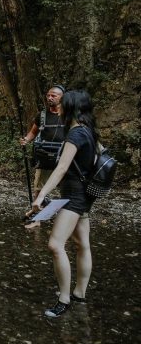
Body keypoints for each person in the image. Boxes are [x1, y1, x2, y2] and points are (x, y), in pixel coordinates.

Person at [30, 90, 99, 318]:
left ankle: (64, 299)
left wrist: (41, 195)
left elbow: (61, 168)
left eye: (64, 105)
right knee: (82, 244)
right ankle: (79, 293)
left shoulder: (75, 134)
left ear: (71, 108)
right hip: (84, 195)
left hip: (73, 197)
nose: (59, 109)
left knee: (55, 245)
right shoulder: (89, 131)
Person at [21, 86, 66, 203]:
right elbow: (33, 132)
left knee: (67, 187)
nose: (50, 98)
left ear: (62, 97)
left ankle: (65, 210)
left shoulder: (69, 115)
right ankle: (37, 210)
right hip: (45, 156)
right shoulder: (42, 115)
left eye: (53, 95)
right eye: (48, 95)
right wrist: (26, 139)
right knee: (39, 187)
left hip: (64, 156)